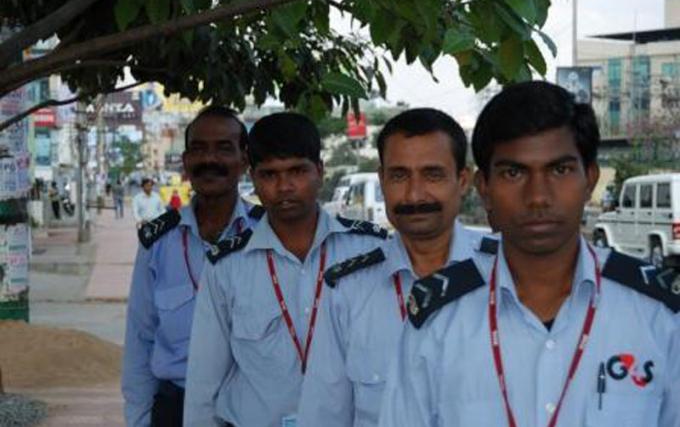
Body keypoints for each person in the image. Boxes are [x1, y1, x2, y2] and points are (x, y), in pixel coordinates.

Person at [378, 81, 680, 427]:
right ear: (484, 189)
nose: (538, 196)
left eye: (560, 170)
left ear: (590, 179)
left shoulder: (658, 315)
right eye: (514, 172)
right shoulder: (437, 319)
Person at [183, 112, 388, 427]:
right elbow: (203, 384)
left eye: (297, 171)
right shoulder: (226, 266)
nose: (284, 186)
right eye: (269, 174)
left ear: (319, 171)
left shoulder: (370, 252)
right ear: (252, 178)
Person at [297, 108, 488, 427]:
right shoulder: (348, 289)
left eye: (433, 175)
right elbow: (324, 415)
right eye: (399, 176)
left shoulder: (504, 275)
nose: (414, 194)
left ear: (463, 180)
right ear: (382, 180)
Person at [122, 106, 264, 427]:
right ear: (186, 162)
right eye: (198, 149)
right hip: (176, 408)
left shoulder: (268, 235)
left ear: (244, 160)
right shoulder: (158, 241)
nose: (209, 160)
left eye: (223, 149)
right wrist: (139, 420)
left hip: (252, 410)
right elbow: (139, 339)